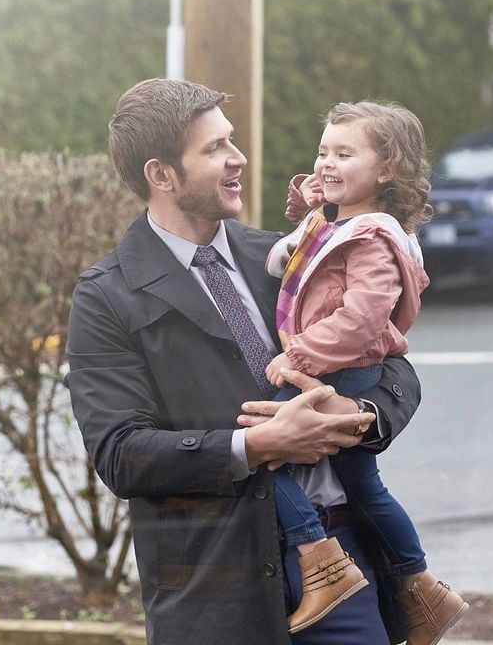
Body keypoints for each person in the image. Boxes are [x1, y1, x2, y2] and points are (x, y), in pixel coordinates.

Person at [66, 78, 421, 645]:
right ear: (161, 175)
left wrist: (357, 412)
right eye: (214, 149)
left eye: (230, 141)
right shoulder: (107, 295)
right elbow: (121, 454)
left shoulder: (281, 254)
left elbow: (391, 362)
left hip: (343, 561)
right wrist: (258, 444)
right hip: (214, 591)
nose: (239, 159)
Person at [262, 101, 468, 641]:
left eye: (344, 152)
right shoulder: (343, 224)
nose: (327, 162)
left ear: (387, 169)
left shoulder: (373, 237)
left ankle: (320, 561)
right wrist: (310, 210)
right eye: (323, 150)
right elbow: (303, 260)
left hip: (339, 370)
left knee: (266, 451)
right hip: (333, 366)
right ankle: (420, 586)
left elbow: (360, 318)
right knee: (363, 485)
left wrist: (298, 357)